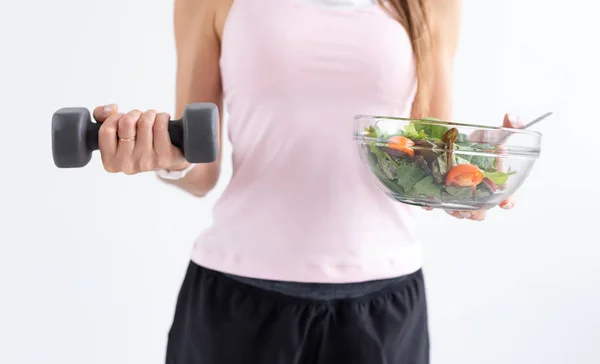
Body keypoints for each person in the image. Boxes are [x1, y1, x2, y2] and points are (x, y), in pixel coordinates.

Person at [92, 0, 519, 362]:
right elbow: (201, 168)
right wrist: (166, 158)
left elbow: (425, 160)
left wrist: (470, 186)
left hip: (382, 307)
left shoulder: (432, 4)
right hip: (235, 302)